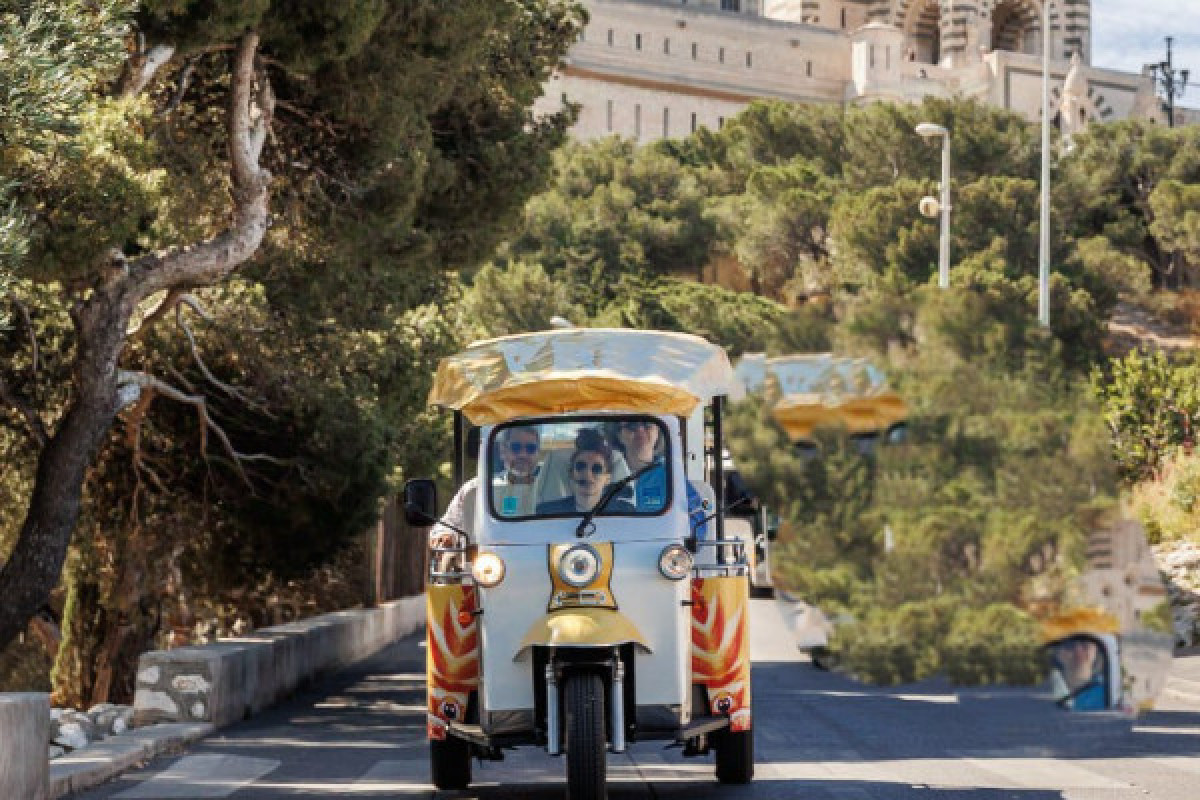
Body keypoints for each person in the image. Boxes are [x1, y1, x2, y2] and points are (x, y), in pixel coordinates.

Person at [613, 419, 708, 538]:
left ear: (657, 432)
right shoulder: (604, 474)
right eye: (632, 425)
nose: (640, 430)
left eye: (647, 424)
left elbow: (697, 522)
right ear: (619, 435)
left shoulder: (672, 477)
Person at [537, 429, 635, 515]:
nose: (587, 475)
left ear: (607, 479)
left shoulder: (626, 512)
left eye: (597, 469)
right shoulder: (546, 512)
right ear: (571, 474)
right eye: (580, 466)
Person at [494, 425, 542, 517]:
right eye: (515, 447)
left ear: (538, 453)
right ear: (502, 452)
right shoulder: (485, 488)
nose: (523, 455)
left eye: (530, 448)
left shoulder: (548, 490)